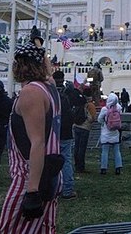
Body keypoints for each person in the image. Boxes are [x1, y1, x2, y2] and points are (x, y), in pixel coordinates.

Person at [0, 42, 61, 233]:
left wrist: (32, 191)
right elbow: (48, 74)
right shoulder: (50, 87)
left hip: (29, 176)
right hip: (50, 172)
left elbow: (37, 142)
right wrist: (41, 53)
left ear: (21, 65)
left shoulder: (31, 92)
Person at [53, 71, 83, 200]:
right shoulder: (68, 95)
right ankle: (67, 189)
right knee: (66, 161)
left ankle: (52, 189)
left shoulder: (49, 95)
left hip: (53, 133)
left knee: (51, 161)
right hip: (66, 132)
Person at [98, 92, 123, 175]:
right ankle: (118, 167)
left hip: (106, 132)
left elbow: (99, 119)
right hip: (115, 132)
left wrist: (104, 124)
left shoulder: (105, 109)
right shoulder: (119, 108)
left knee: (105, 151)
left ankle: (103, 168)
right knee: (117, 151)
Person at [73, 86, 97, 173]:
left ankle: (76, 165)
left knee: (76, 147)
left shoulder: (79, 102)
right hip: (85, 127)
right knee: (82, 148)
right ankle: (81, 167)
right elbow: (93, 118)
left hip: (76, 126)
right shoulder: (90, 105)